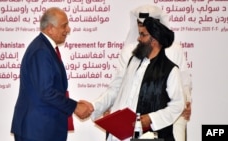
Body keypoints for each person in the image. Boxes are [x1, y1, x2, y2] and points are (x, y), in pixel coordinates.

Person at [91, 7, 185, 141]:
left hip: (149, 135)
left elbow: (178, 104)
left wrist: (151, 118)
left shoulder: (170, 70)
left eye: (143, 35)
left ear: (154, 40)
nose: (138, 38)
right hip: (122, 133)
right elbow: (121, 92)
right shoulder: (133, 61)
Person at [11, 7, 93, 141]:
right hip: (37, 130)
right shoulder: (41, 51)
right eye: (64, 26)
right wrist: (75, 106)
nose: (68, 30)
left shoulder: (45, 48)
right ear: (50, 29)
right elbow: (46, 92)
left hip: (42, 129)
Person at [120, 5, 192, 141]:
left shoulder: (175, 49)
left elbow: (184, 78)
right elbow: (122, 84)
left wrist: (187, 101)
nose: (143, 28)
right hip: (138, 116)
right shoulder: (130, 52)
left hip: (173, 114)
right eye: (140, 24)